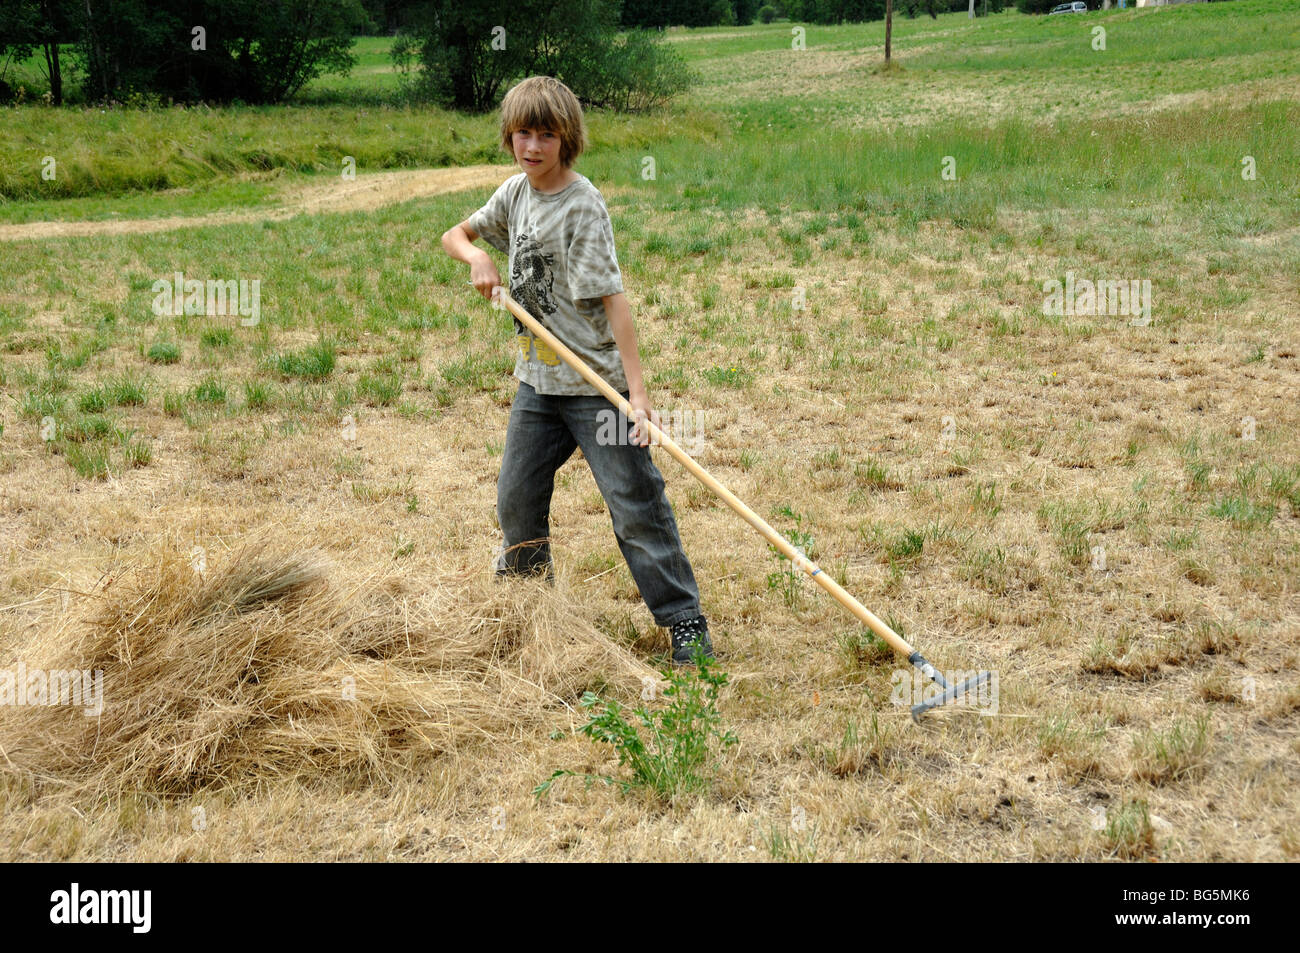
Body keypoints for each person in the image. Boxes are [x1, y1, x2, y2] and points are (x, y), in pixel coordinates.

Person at [440, 75, 713, 665]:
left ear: (567, 139)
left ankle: (684, 623)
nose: (532, 146)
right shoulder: (514, 194)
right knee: (516, 499)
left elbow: (615, 301)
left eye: (546, 135)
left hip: (594, 386)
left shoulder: (582, 206)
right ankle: (527, 610)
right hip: (537, 385)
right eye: (522, 133)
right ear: (509, 135)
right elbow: (454, 234)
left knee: (634, 503)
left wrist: (637, 397)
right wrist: (478, 256)